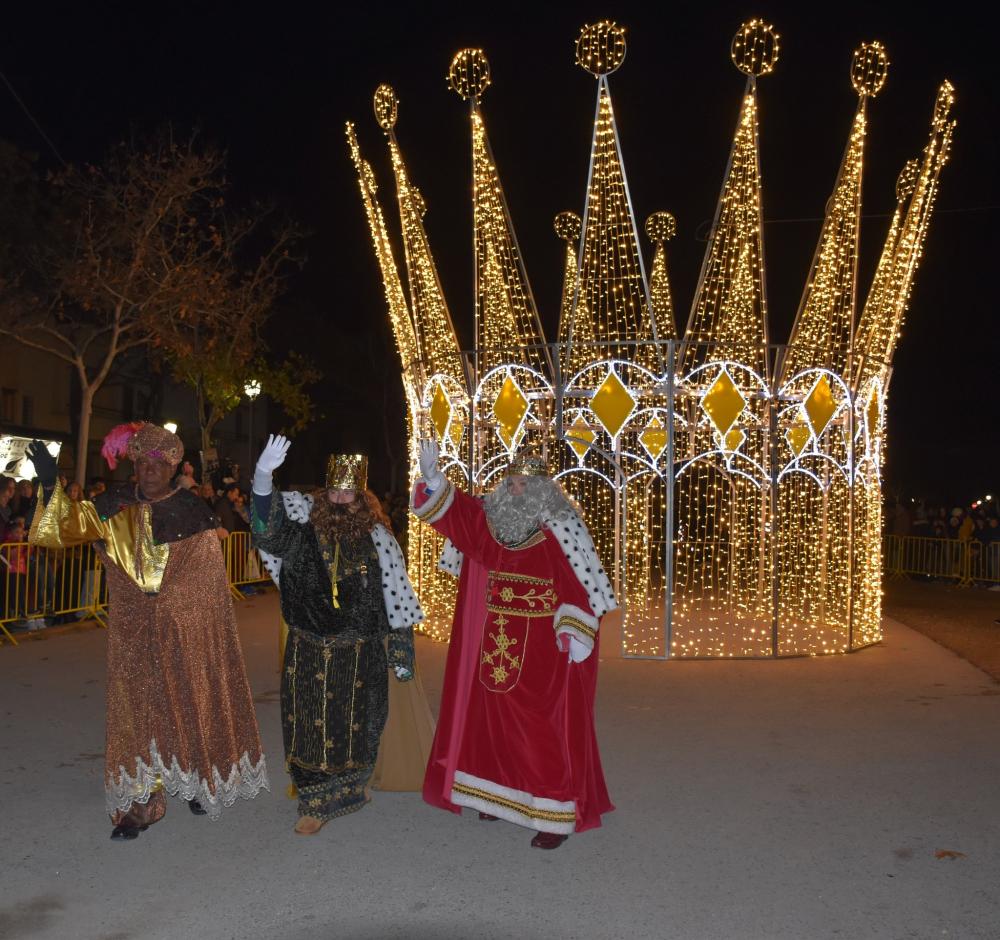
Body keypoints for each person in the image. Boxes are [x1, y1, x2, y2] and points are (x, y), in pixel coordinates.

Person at [27, 424, 267, 840]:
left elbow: (204, 581)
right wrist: (51, 483)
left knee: (187, 701)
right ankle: (139, 804)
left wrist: (172, 610)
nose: (148, 470)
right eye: (141, 462)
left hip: (183, 628)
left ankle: (195, 777)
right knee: (136, 713)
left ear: (173, 467)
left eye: (157, 463)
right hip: (133, 629)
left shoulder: (192, 512)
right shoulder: (114, 505)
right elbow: (60, 531)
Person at [410, 439, 616, 850]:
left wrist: (574, 629)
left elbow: (579, 587)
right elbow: (465, 518)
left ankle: (551, 815)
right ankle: (497, 798)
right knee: (491, 724)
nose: (516, 490)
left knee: (540, 728)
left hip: (541, 647)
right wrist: (435, 482)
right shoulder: (495, 525)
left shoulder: (561, 529)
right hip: (496, 639)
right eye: (513, 482)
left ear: (542, 490)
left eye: (525, 484)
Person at [251, 435, 424, 834]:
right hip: (310, 646)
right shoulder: (302, 533)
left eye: (349, 492)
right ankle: (314, 802)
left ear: (362, 496)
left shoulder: (379, 540)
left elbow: (396, 596)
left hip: (360, 650)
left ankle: (351, 789)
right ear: (324, 493)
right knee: (310, 725)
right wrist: (263, 477)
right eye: (335, 491)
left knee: (356, 726)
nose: (342, 499)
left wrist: (400, 648)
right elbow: (267, 532)